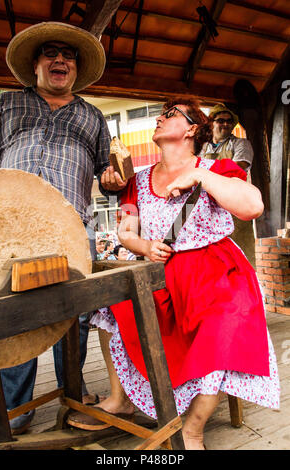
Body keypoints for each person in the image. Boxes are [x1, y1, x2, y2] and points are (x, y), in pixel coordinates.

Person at [69, 99, 280, 449]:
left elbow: (253, 206)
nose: (158, 119)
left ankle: (193, 429)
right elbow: (125, 230)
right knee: (111, 305)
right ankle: (121, 401)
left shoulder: (217, 167)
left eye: (169, 115)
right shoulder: (137, 180)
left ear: (192, 129)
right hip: (159, 273)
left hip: (215, 273)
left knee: (221, 324)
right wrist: (144, 246)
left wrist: (199, 175)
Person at [0, 22, 127, 434]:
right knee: (12, 315)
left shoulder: (93, 116)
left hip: (70, 229)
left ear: (75, 68)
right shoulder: (6, 105)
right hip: (7, 226)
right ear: (36, 63)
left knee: (75, 315)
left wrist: (111, 181)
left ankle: (72, 392)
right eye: (50, 52)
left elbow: (109, 172)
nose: (60, 59)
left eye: (68, 55)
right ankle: (18, 409)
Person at [199, 103, 256, 267]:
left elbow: (239, 167)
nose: (225, 124)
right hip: (207, 206)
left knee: (241, 252)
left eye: (229, 121)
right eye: (220, 120)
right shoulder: (202, 146)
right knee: (212, 256)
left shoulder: (241, 144)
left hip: (234, 205)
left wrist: (205, 174)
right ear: (212, 123)